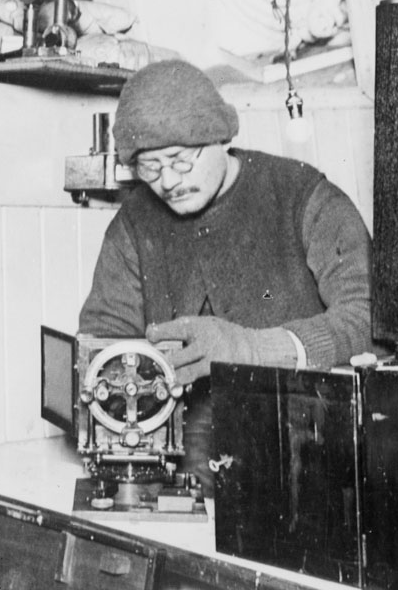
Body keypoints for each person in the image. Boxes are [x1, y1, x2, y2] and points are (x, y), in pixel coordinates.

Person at [78, 59, 373, 490]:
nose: (168, 181)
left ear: (219, 136)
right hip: (181, 476)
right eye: (149, 167)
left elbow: (368, 320)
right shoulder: (133, 224)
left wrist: (252, 348)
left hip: (307, 469)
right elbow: (104, 341)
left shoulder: (304, 197)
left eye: (180, 159)